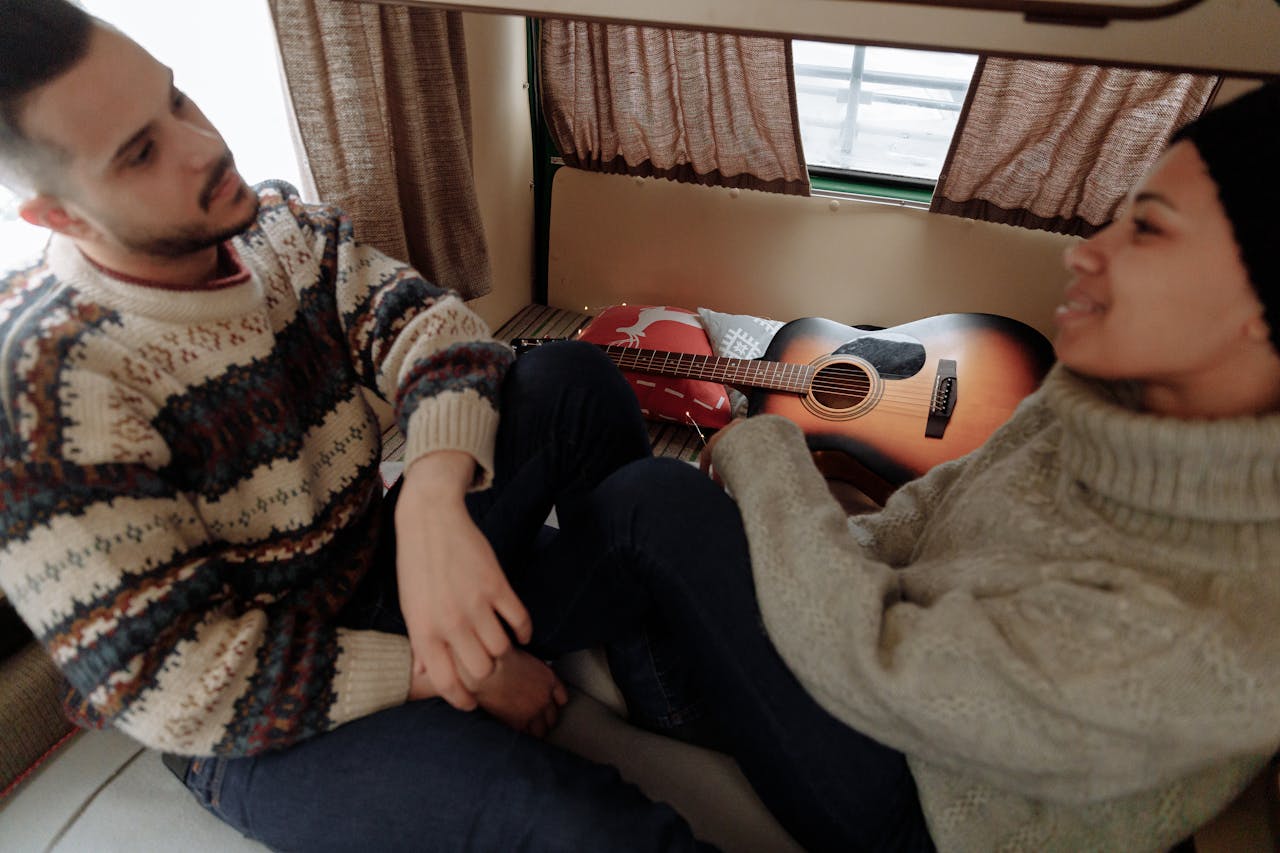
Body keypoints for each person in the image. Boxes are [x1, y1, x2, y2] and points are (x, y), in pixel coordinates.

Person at [0, 2, 714, 850]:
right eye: (141, 152)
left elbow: (438, 328)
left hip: (372, 567)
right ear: (61, 218)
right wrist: (452, 669)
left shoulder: (277, 225)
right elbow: (178, 683)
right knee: (568, 819)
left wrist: (433, 501)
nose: (205, 146)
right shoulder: (39, 390)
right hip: (255, 715)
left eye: (178, 99)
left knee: (570, 377)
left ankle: (664, 690)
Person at [546, 80, 1280, 852]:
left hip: (927, 800)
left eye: (1150, 231)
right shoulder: (1095, 404)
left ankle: (472, 652)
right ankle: (495, 594)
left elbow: (885, 668)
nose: (1086, 250)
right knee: (573, 383)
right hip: (870, 666)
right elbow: (921, 513)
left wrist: (770, 469)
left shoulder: (1224, 627)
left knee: (653, 501)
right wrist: (766, 562)